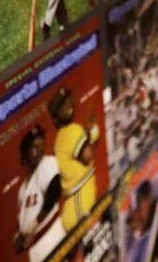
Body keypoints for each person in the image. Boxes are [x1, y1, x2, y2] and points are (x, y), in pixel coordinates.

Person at [48, 86, 100, 233]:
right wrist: (92, 133)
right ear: (57, 116)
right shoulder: (71, 131)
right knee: (89, 241)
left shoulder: (61, 137)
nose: (69, 105)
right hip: (79, 201)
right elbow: (87, 155)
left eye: (68, 100)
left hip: (76, 200)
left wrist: (90, 134)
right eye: (63, 105)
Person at [13, 125, 65, 261]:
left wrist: (35, 223)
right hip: (35, 246)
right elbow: (23, 222)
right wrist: (20, 235)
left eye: (41, 144)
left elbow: (54, 191)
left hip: (51, 236)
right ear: (25, 156)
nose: (40, 149)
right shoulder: (23, 189)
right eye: (34, 147)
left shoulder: (47, 163)